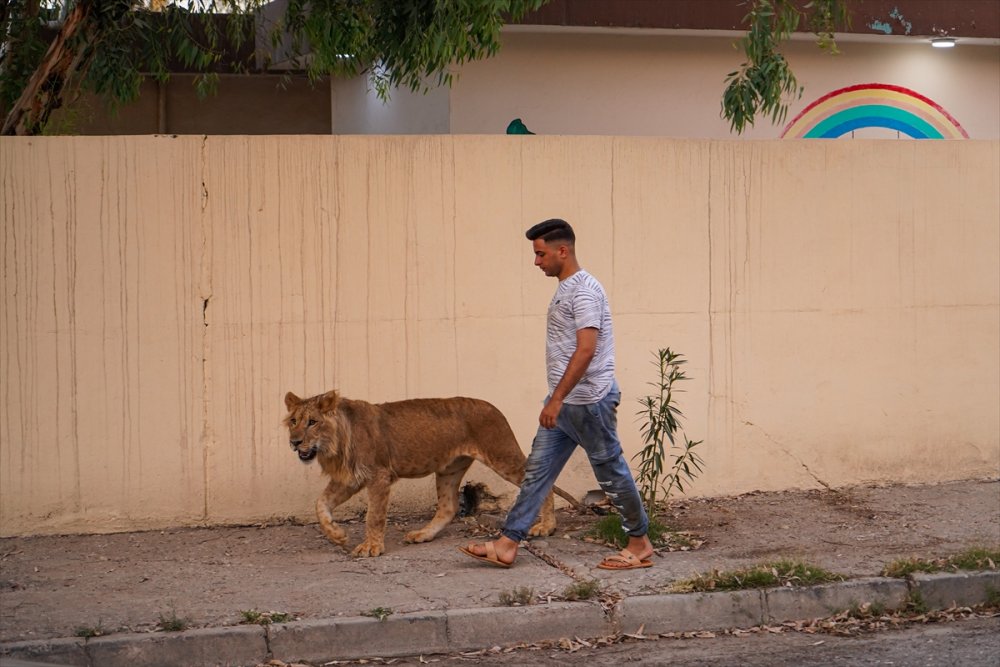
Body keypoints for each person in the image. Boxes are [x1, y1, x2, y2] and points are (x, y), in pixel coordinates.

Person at [460, 218, 654, 570]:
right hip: (566, 407)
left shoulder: (583, 291)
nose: (537, 262)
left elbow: (586, 349)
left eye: (540, 254)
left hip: (589, 402)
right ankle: (507, 543)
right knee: (537, 472)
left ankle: (639, 544)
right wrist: (559, 400)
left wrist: (556, 398)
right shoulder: (567, 287)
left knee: (612, 473)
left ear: (562, 251)